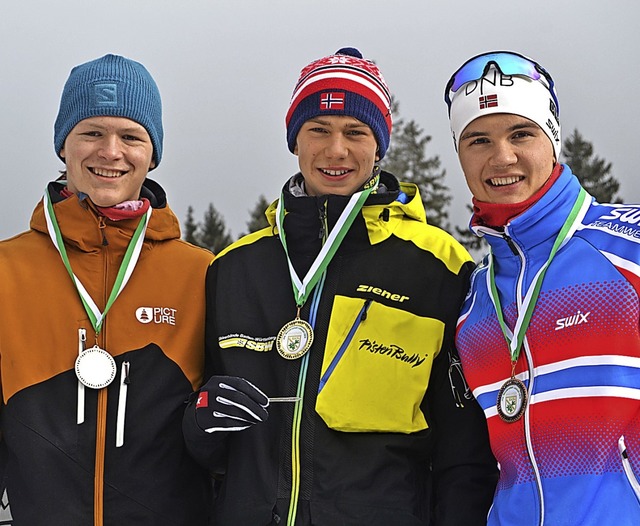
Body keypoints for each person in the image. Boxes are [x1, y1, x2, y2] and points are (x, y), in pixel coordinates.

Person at [183, 47, 497, 526]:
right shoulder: (234, 268)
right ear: (294, 140)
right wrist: (199, 425)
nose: (336, 150)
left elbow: (464, 452)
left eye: (356, 132)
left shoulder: (438, 267)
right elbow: (203, 427)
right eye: (318, 130)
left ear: (378, 147)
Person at [0, 54, 214, 525]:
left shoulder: (201, 273)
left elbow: (217, 444)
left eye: (131, 136)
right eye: (92, 133)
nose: (110, 151)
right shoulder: (6, 270)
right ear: (64, 146)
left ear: (152, 154)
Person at [446, 50, 640, 525]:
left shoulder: (628, 249)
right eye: (478, 140)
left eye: (521, 134)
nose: (502, 157)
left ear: (552, 139)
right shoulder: (474, 305)